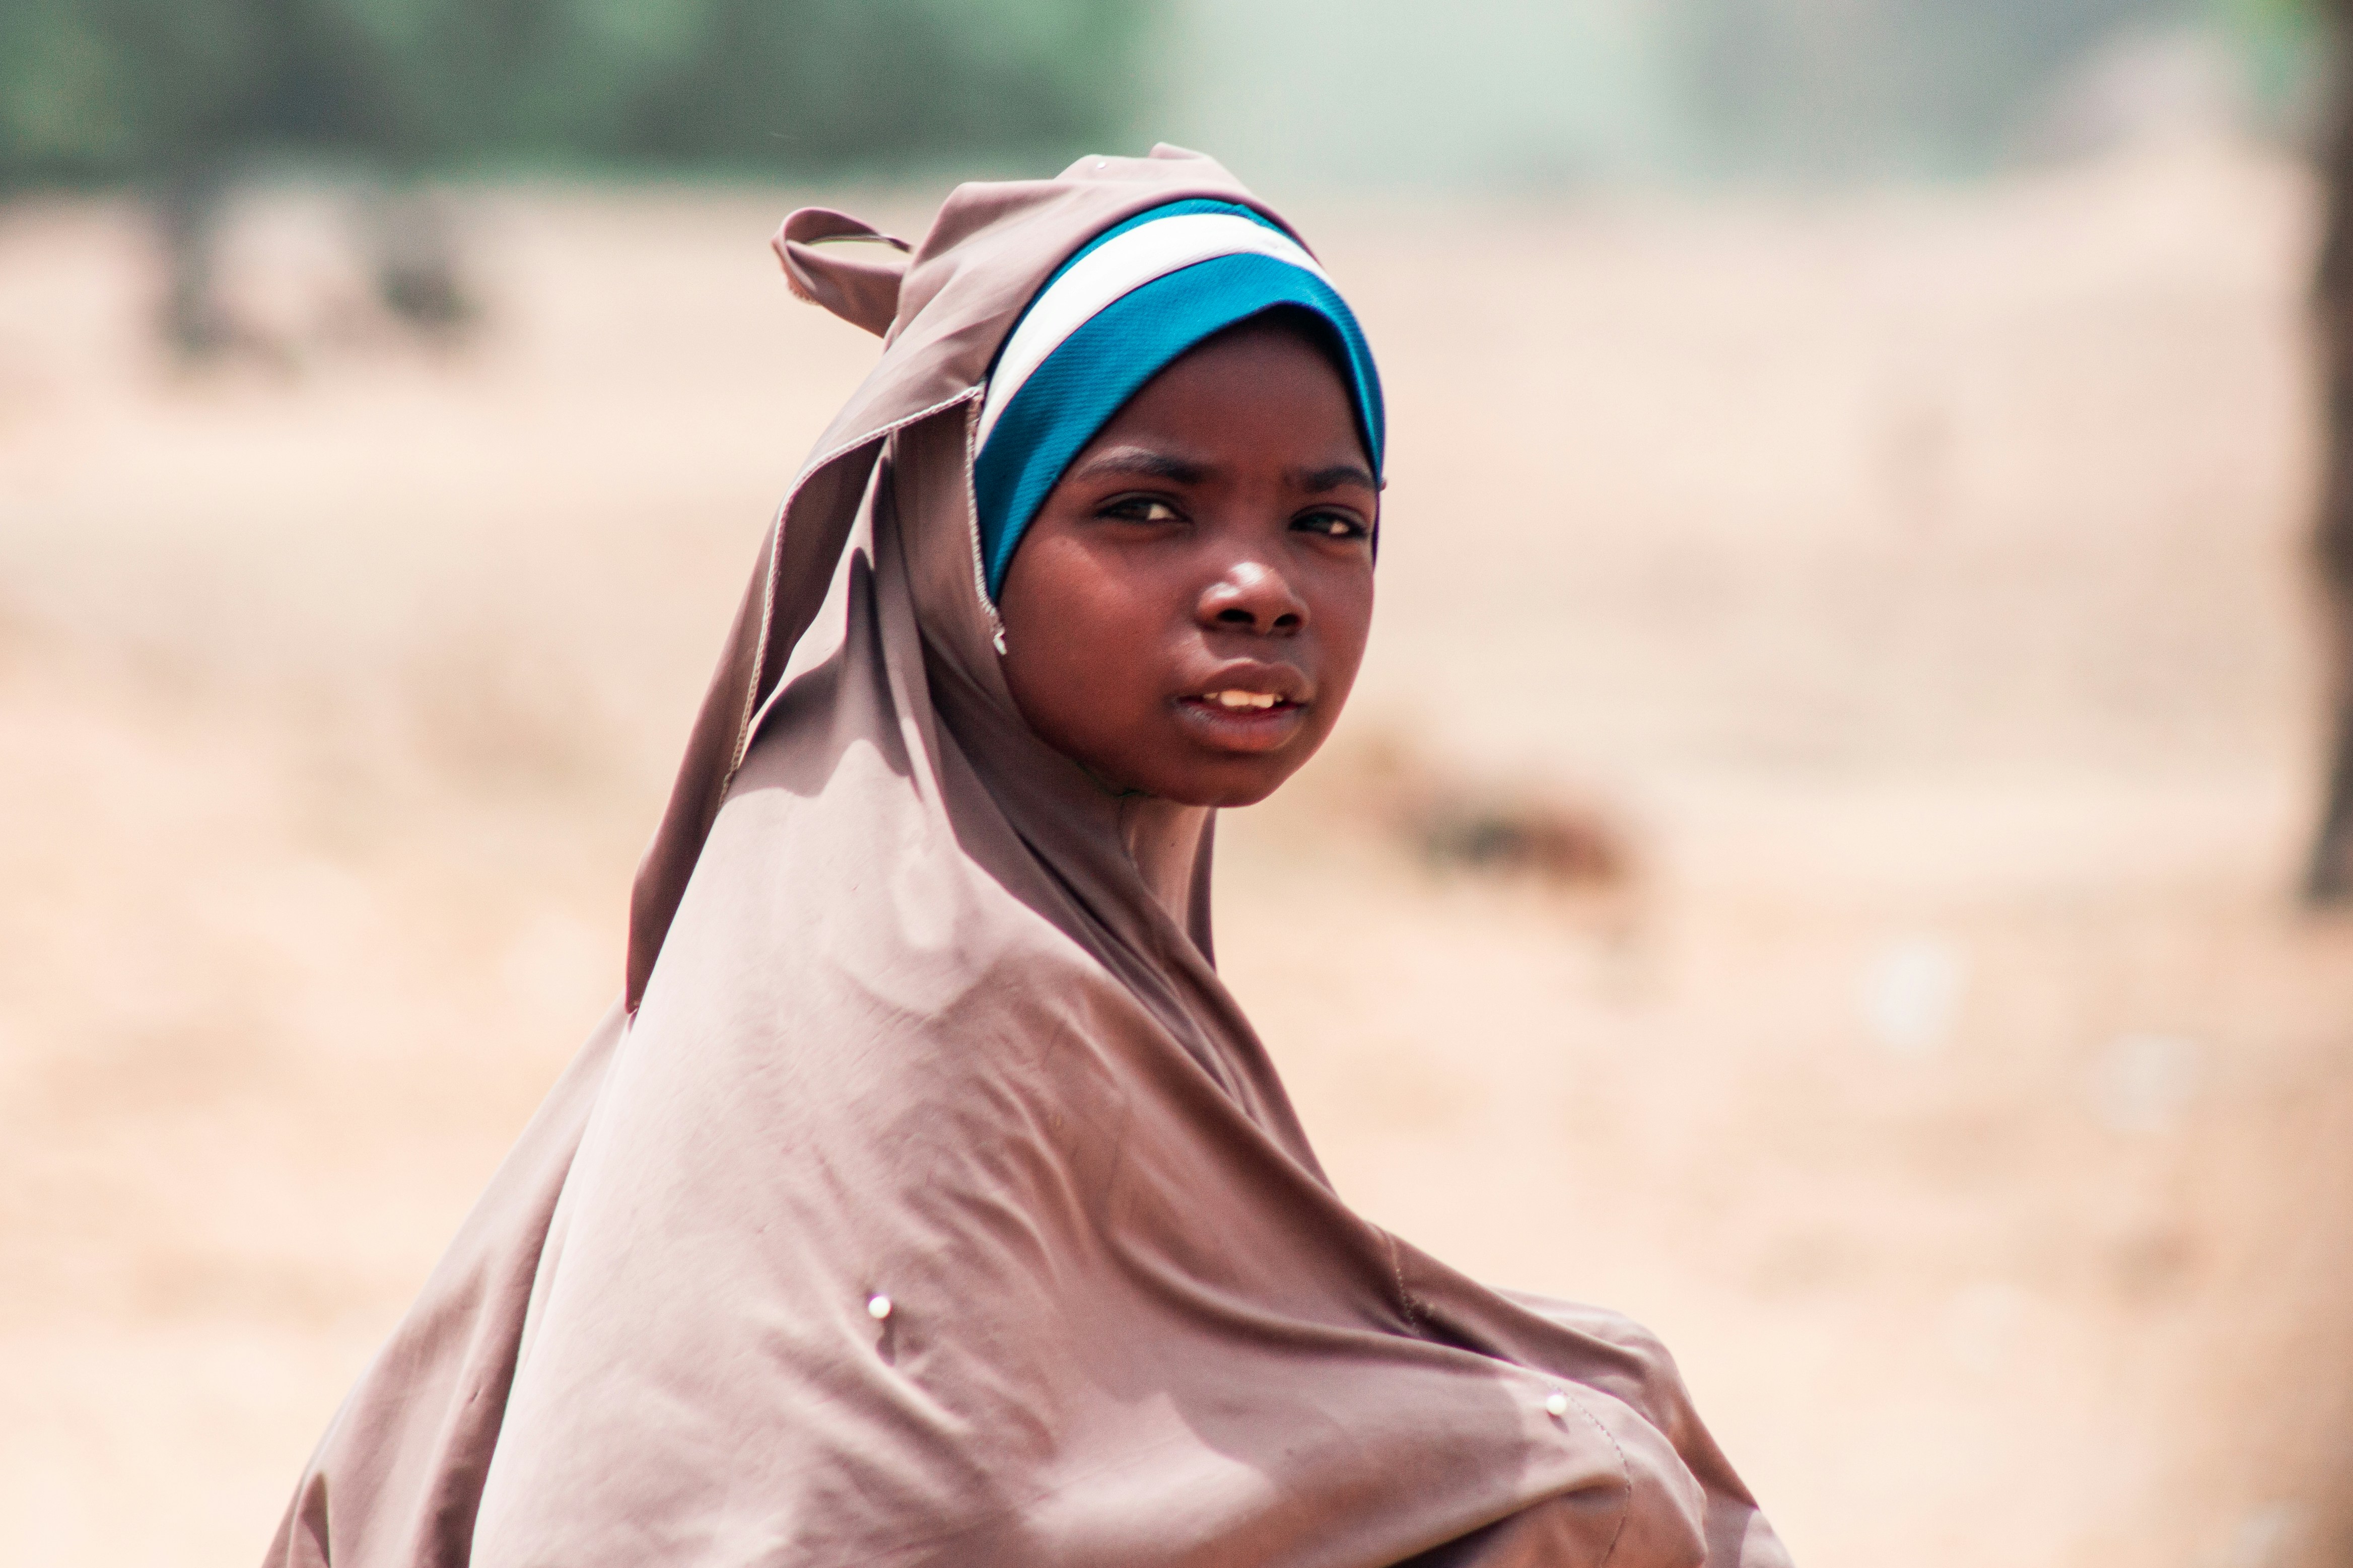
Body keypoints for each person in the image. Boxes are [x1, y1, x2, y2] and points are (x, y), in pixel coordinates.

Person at [265, 146, 1790, 1568]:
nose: (1259, 584)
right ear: (972, 551)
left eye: (1329, 521)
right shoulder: (925, 954)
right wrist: (1571, 1446)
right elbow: (922, 1506)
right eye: (1146, 509)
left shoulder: (978, 861)